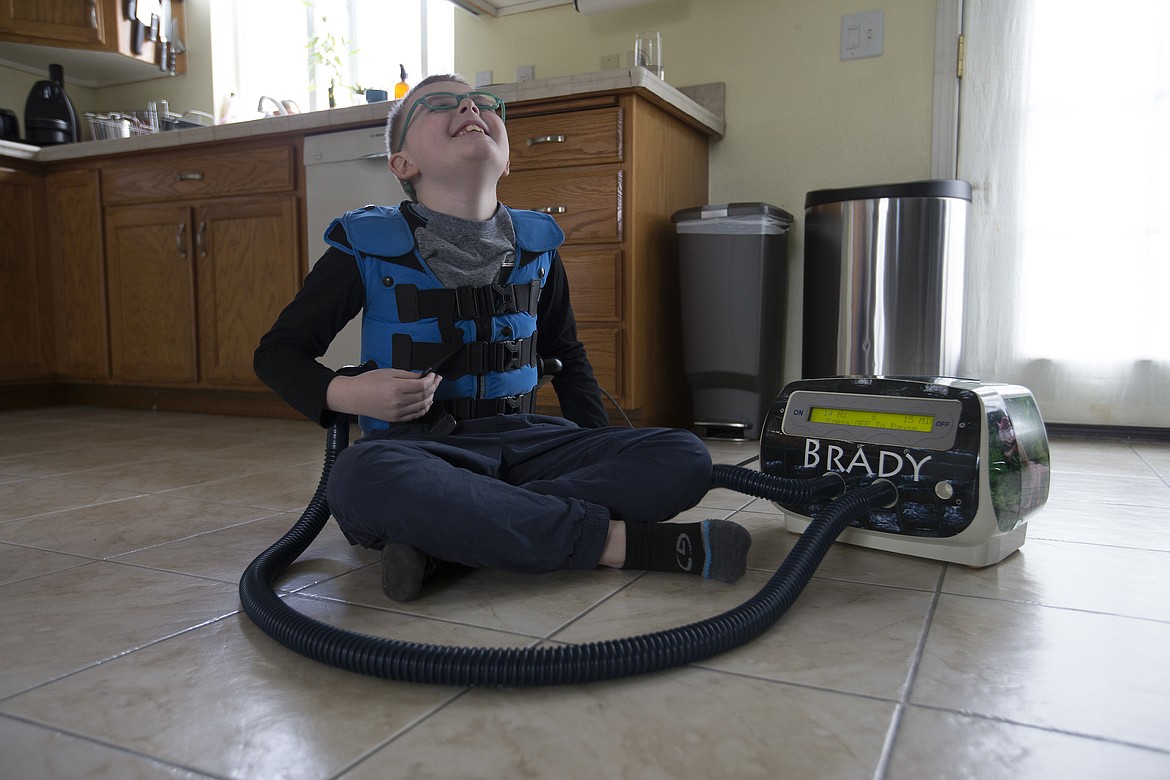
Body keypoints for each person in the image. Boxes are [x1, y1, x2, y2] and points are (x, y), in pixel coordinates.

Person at [254, 74, 750, 601]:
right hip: (420, 451)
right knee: (359, 477)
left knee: (684, 455)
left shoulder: (538, 248)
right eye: (439, 105)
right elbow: (277, 354)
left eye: (484, 104)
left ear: (507, 159)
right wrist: (350, 394)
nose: (469, 105)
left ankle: (453, 540)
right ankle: (620, 543)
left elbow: (568, 355)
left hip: (527, 441)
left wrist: (595, 444)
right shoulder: (364, 245)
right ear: (403, 165)